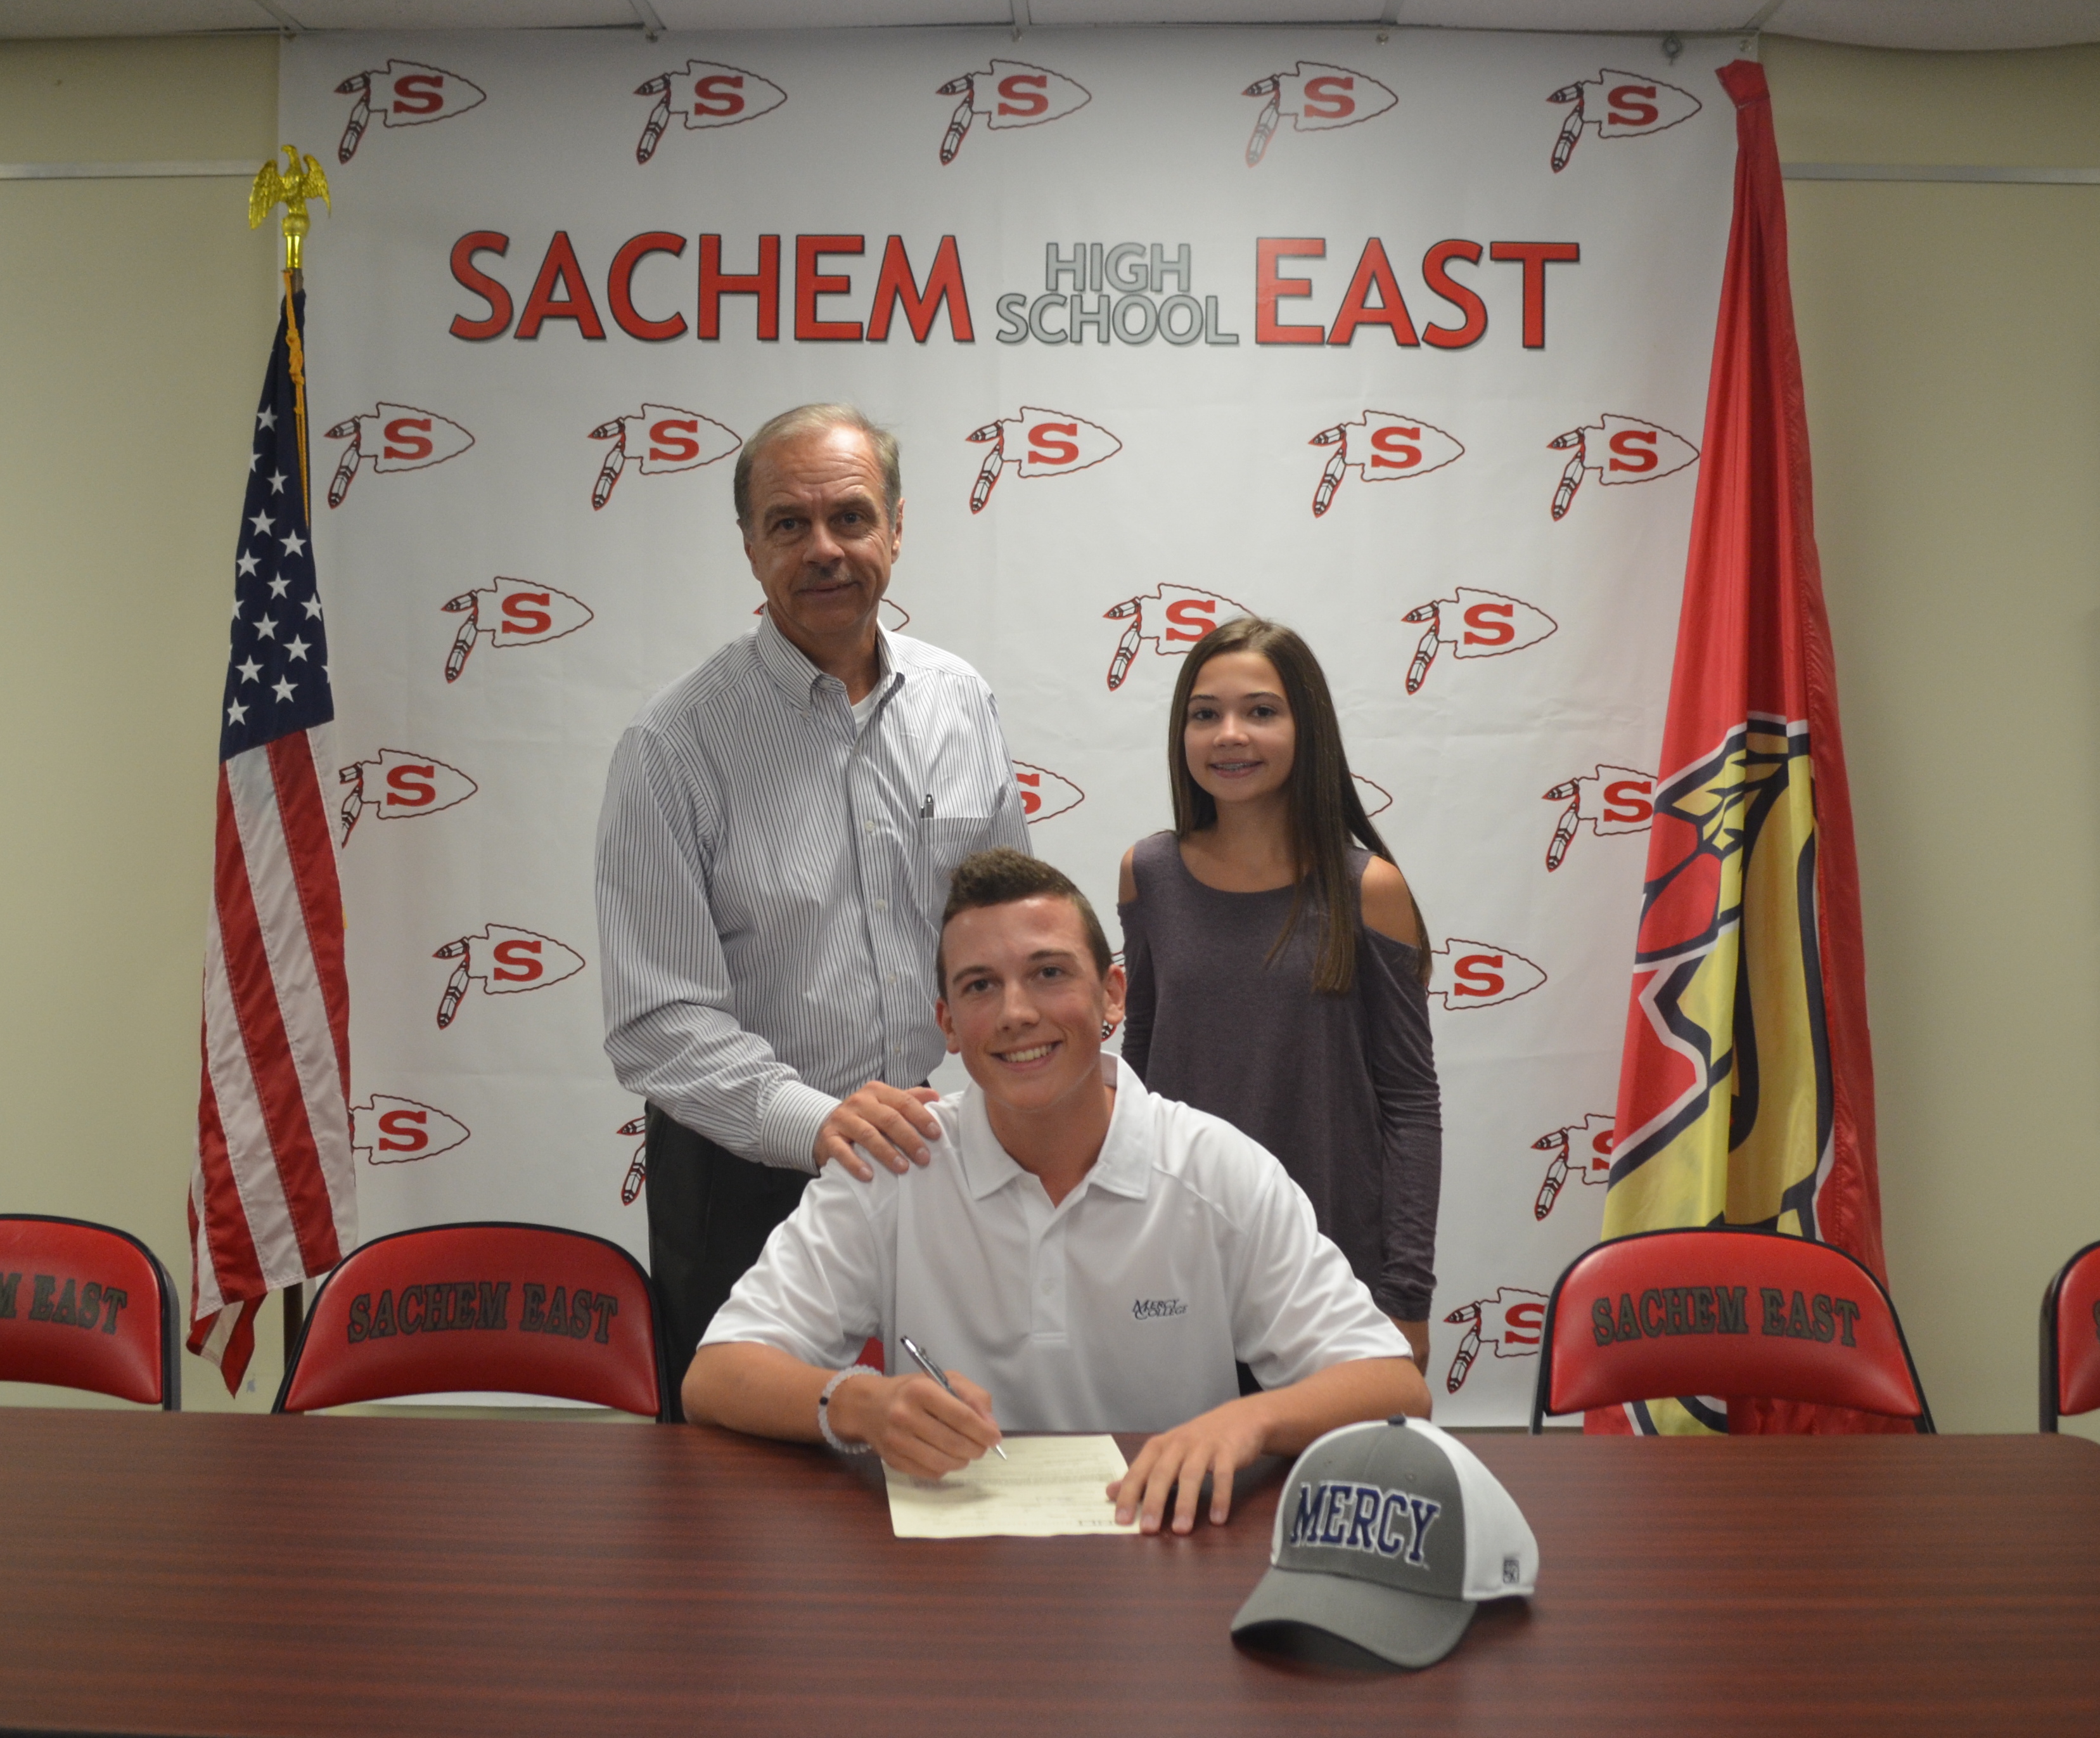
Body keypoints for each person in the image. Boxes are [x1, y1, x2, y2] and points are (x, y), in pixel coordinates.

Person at [685, 849, 1428, 1536]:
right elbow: (714, 1375)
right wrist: (856, 1403)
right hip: (950, 1571)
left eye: (1048, 973)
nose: (1016, 1013)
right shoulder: (896, 1161)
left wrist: (1250, 1421)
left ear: (1112, 996)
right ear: (947, 1024)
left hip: (1163, 1555)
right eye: (980, 986)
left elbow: (1393, 1386)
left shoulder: (1215, 1169)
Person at [596, 404, 1029, 1399]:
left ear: (896, 528)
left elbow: (1006, 934)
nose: (824, 548)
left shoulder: (959, 702)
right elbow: (657, 1018)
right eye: (789, 524)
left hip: (929, 1158)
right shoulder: (674, 744)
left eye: (850, 516)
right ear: (749, 546)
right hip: (742, 1177)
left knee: (940, 1436)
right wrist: (819, 1122)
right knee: (739, 1465)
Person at [1117, 616, 1442, 1371]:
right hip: (1176, 1259)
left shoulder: (1369, 890)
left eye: (1260, 711)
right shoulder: (1147, 875)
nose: (1229, 735)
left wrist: (1406, 1295)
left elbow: (1409, 1105)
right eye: (1205, 714)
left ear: (1307, 727)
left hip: (1328, 1267)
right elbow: (1140, 1063)